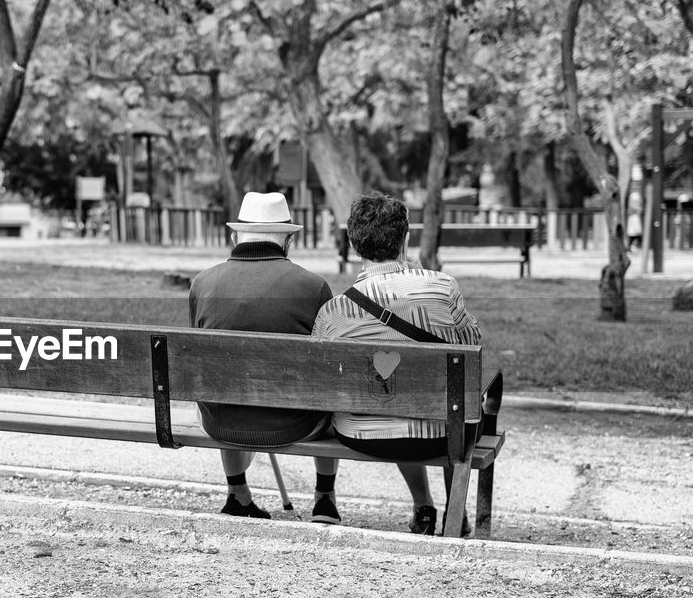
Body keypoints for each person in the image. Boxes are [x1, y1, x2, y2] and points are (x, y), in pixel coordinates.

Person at [313, 192, 481, 536]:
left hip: (361, 434)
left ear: (352, 242)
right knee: (452, 399)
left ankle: (423, 506)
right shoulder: (442, 287)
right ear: (406, 238)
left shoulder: (334, 311)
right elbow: (472, 343)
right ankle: (455, 510)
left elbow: (320, 373)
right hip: (441, 435)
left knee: (391, 393)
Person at [189, 192, 342, 524]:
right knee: (329, 389)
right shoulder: (313, 286)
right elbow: (328, 368)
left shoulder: (203, 284)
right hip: (294, 424)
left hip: (222, 422)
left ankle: (237, 493)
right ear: (288, 240)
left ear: (235, 237)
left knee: (219, 383)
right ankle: (325, 499)